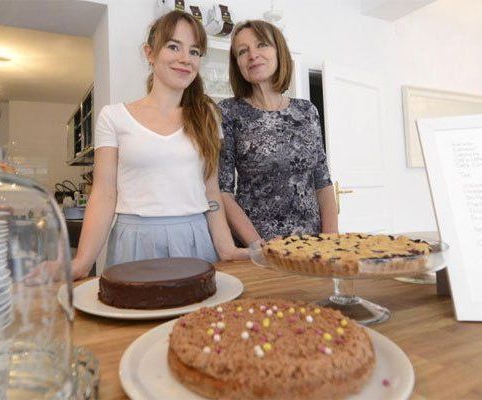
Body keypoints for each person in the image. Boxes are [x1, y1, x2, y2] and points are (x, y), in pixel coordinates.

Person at [71, 11, 247, 280]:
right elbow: (104, 193)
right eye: (173, 46)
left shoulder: (208, 116)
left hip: (195, 238)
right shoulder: (113, 116)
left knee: (195, 320)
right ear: (150, 53)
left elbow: (211, 193)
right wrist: (82, 263)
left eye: (195, 51)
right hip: (134, 241)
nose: (185, 59)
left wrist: (226, 247)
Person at [218, 20, 339, 245]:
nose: (253, 55)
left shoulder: (307, 111)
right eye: (243, 51)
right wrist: (258, 247)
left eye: (261, 45)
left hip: (312, 246)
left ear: (279, 51)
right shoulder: (228, 112)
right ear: (238, 64)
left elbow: (323, 182)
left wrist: (331, 242)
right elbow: (222, 191)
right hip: (257, 246)